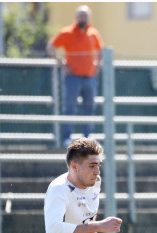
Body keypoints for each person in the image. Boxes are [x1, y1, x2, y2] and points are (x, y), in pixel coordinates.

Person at [46, 5, 104, 148]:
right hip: (73, 78)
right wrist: (62, 64)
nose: (82, 18)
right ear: (76, 17)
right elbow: (50, 47)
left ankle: (87, 138)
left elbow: (101, 51)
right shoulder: (67, 32)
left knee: (89, 108)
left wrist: (97, 67)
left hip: (90, 78)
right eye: (80, 16)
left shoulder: (93, 33)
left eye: (85, 16)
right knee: (70, 107)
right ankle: (67, 138)